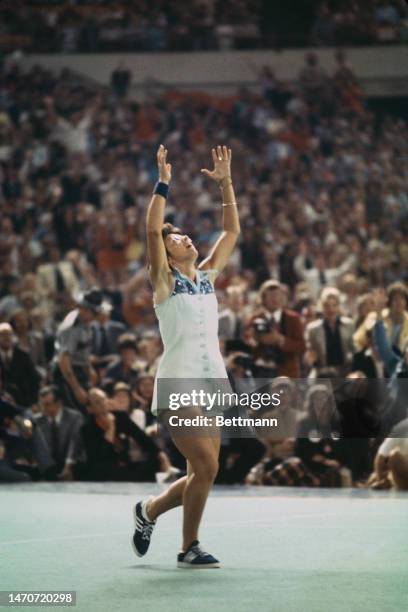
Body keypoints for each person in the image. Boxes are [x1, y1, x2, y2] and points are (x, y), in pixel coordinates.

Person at [132, 144, 240, 569]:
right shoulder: (164, 282)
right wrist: (163, 182)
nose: (183, 237)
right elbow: (150, 231)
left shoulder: (208, 278)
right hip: (177, 383)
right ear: (167, 252)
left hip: (211, 379)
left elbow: (231, 233)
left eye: (182, 234)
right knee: (206, 461)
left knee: (206, 470)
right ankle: (188, 546)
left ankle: (150, 512)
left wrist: (226, 183)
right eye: (174, 237)